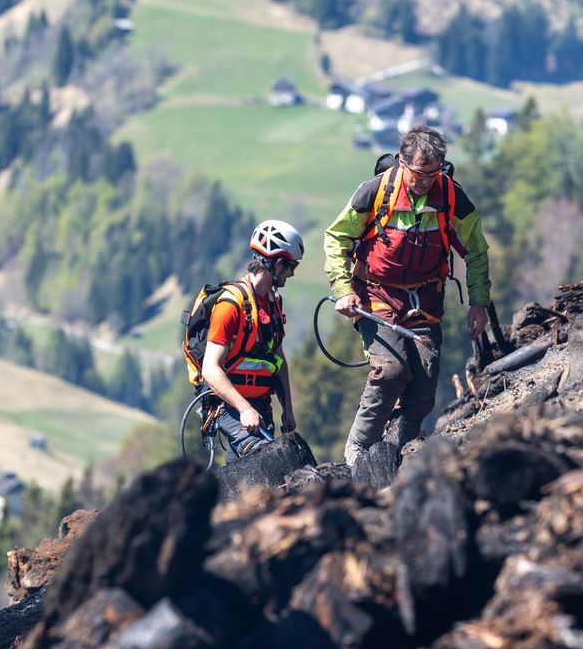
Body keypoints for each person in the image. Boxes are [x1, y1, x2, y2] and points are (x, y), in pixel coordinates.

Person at [323, 125, 491, 466]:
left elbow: (475, 251)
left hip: (426, 301)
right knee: (391, 371)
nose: (425, 182)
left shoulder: (452, 198)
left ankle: (395, 453)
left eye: (433, 174)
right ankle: (358, 450)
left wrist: (478, 303)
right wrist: (342, 289)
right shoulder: (376, 192)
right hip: (376, 296)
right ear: (402, 162)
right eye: (418, 174)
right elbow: (336, 238)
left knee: (424, 387)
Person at [198, 219, 303, 462]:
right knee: (260, 458)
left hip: (261, 407)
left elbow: (278, 359)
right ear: (278, 263)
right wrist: (244, 409)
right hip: (229, 406)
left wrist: (287, 408)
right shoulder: (230, 305)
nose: (293, 273)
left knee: (259, 477)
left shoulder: (274, 304)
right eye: (291, 267)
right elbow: (210, 369)